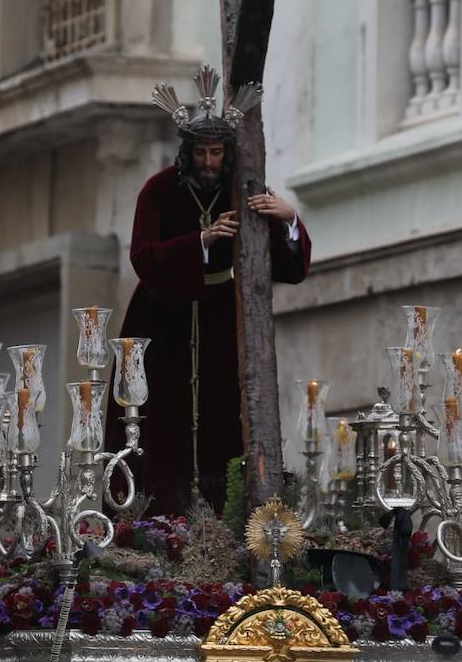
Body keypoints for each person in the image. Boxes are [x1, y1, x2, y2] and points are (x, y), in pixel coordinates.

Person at [105, 67, 312, 516]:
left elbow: (289, 268)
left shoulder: (244, 190)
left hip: (224, 319)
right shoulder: (158, 191)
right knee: (162, 426)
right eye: (200, 152)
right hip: (164, 321)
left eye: (216, 152)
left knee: (227, 422)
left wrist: (288, 218)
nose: (208, 162)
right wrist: (202, 241)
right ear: (187, 151)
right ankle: (157, 522)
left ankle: (228, 520)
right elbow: (142, 256)